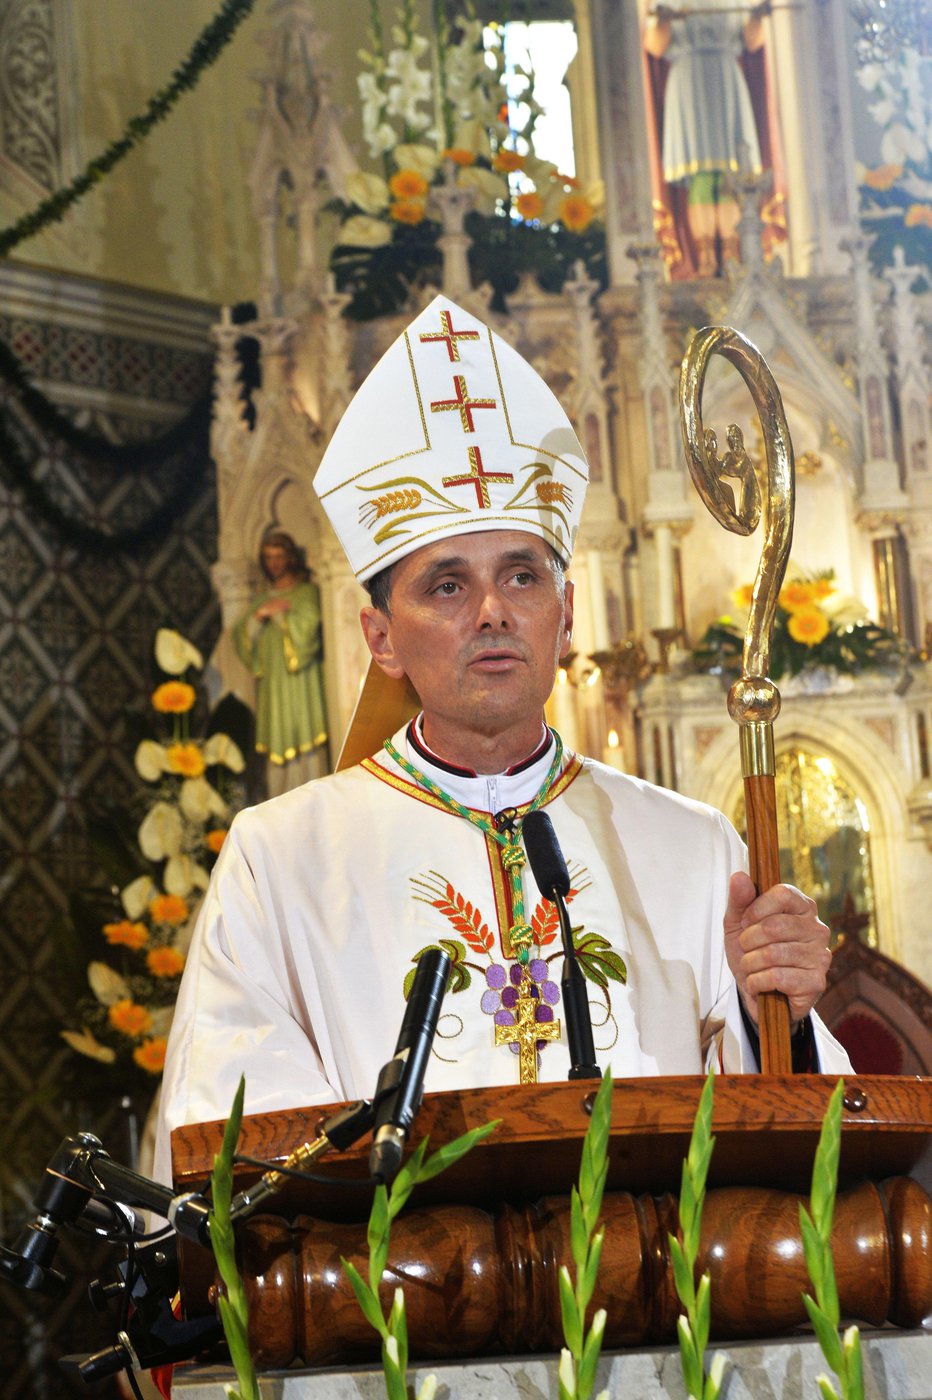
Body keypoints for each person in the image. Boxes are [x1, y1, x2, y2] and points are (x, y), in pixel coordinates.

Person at [154, 294, 849, 1187]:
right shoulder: (280, 861)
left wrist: (775, 1009)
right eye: (446, 585)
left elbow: (787, 1138)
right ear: (379, 637)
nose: (491, 611)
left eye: (521, 575)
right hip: (402, 1312)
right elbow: (233, 1133)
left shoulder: (696, 848)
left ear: (564, 620)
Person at [645, 0, 768, 275]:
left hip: (726, 81)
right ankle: (705, 257)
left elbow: (752, 42)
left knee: (728, 176)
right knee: (701, 176)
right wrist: (664, 20)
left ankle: (730, 252)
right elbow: (654, 46)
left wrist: (758, 16)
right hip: (688, 81)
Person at [233, 531, 328, 796]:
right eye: (268, 558)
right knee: (276, 734)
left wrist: (282, 617)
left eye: (279, 556)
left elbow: (308, 629)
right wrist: (260, 616)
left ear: (290, 557)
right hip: (274, 683)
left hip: (301, 681)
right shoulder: (263, 600)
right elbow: (241, 635)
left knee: (305, 734)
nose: (274, 563)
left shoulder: (305, 592)